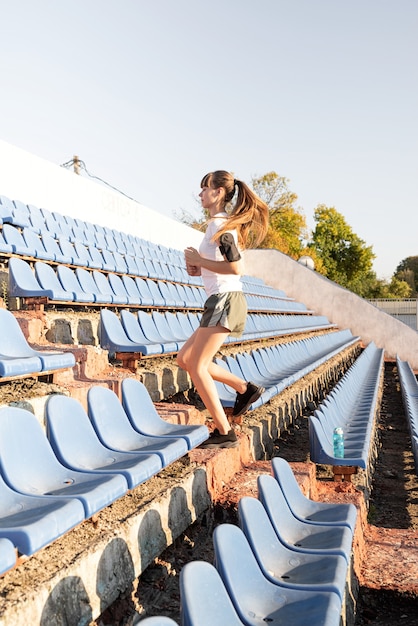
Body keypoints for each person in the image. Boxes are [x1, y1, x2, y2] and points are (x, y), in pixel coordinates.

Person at [177, 170, 269, 448]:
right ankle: (244, 388)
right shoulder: (215, 226)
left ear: (218, 193)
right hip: (219, 299)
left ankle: (223, 429)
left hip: (226, 301)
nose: (200, 194)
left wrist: (200, 261)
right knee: (185, 359)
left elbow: (236, 267)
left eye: (204, 188)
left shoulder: (224, 227)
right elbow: (216, 268)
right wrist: (196, 265)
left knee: (197, 365)